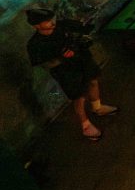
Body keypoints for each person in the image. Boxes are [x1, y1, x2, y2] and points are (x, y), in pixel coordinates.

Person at [26, 8, 117, 140]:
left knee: (93, 81)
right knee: (78, 97)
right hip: (65, 72)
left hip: (83, 59)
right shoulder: (35, 44)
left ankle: (97, 108)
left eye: (51, 18)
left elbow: (87, 28)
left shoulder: (63, 25)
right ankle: (85, 126)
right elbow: (43, 65)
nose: (52, 22)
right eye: (47, 21)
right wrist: (62, 58)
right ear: (36, 26)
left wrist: (84, 34)